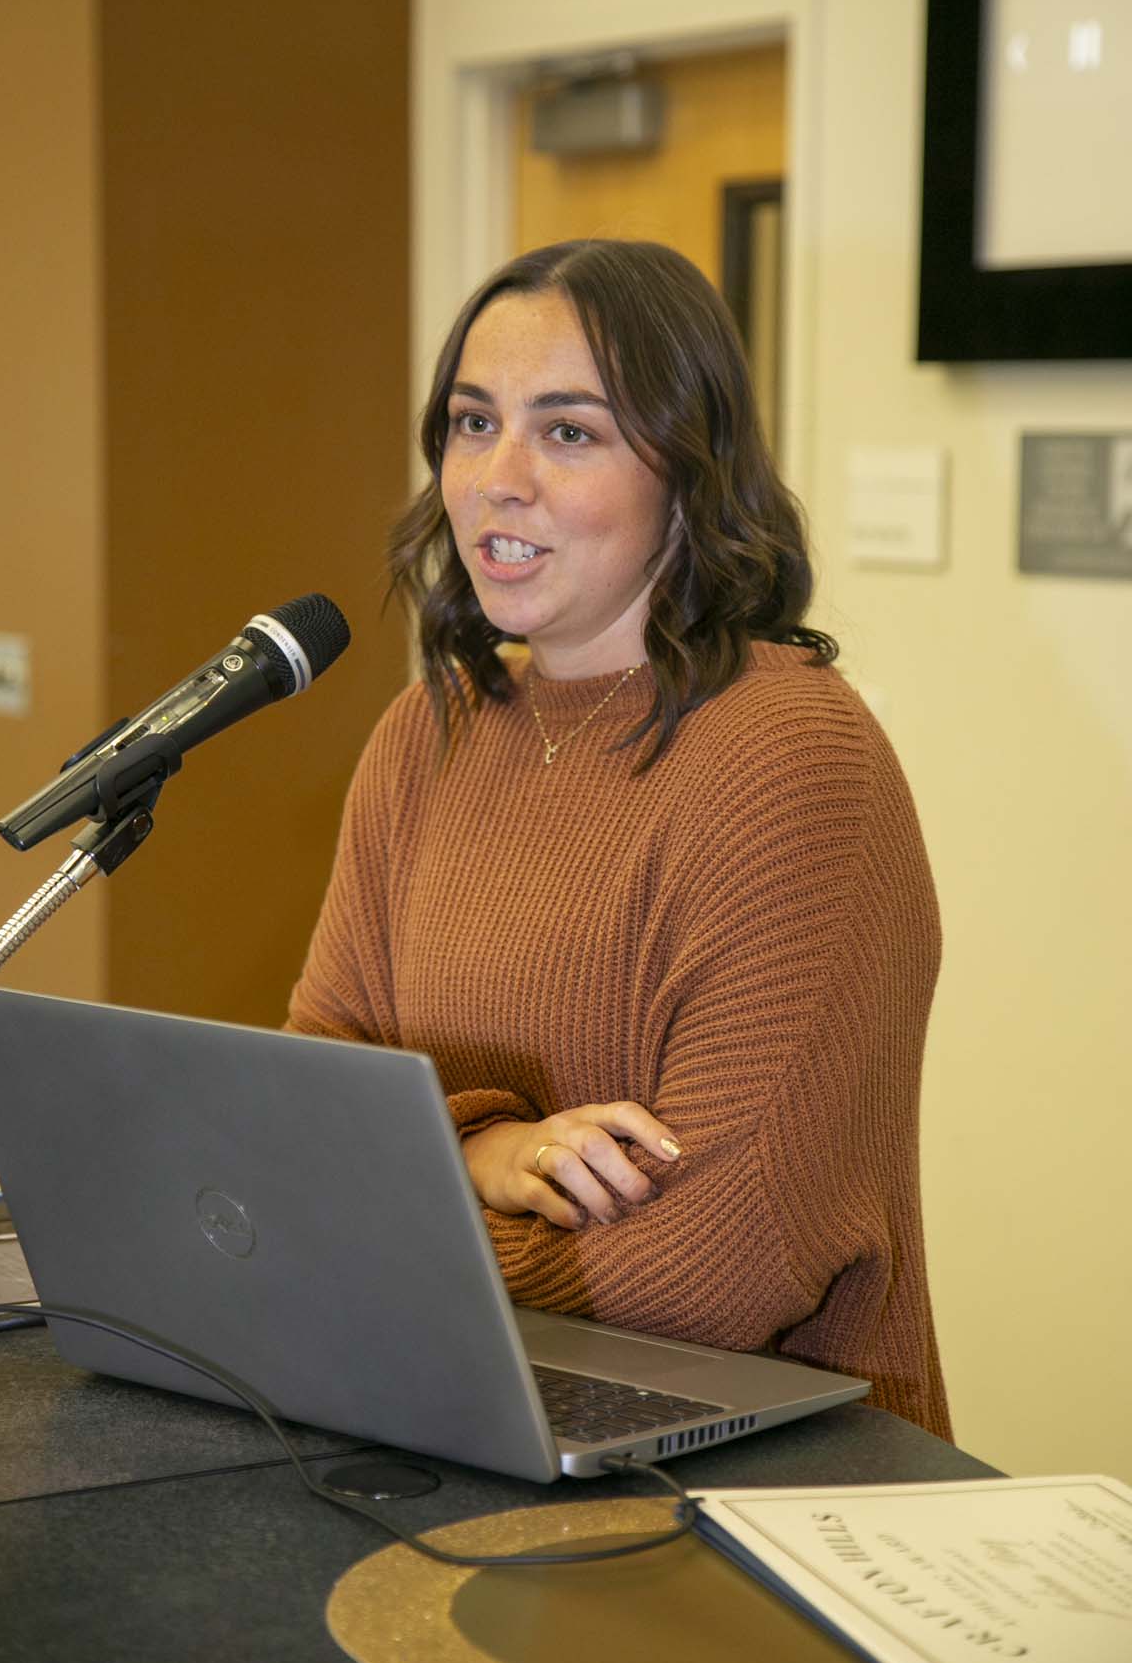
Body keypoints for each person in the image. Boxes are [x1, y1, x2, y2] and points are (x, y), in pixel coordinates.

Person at [288, 239, 951, 1440]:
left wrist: (393, 1210)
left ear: (688, 473)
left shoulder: (791, 760)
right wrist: (488, 1149)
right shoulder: (428, 732)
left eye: (571, 432)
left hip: (756, 1490)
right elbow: (317, 1100)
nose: (498, 477)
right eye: (472, 421)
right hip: (461, 1421)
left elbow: (715, 1269)